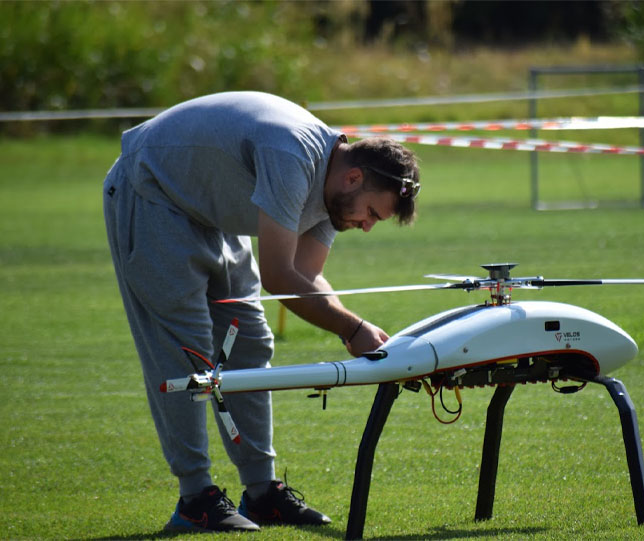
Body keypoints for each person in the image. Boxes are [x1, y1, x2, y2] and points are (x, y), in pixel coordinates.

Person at [102, 91, 420, 533]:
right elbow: (278, 276)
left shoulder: (336, 195)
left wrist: (355, 329)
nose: (366, 226)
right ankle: (195, 498)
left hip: (209, 210)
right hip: (152, 190)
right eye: (371, 213)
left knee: (248, 338)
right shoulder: (293, 157)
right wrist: (352, 328)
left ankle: (261, 493)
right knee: (186, 351)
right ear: (353, 178)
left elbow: (307, 275)